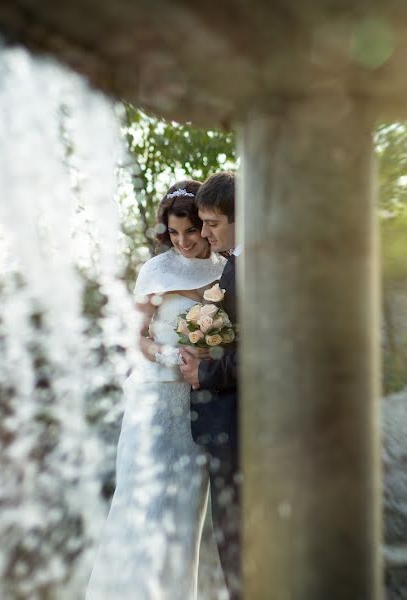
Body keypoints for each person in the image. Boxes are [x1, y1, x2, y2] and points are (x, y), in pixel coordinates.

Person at [87, 181, 227, 599]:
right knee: (142, 508)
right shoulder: (155, 270)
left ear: (205, 225)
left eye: (191, 231)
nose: (183, 241)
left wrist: (210, 354)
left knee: (183, 519)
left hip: (202, 406)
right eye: (174, 233)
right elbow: (134, 339)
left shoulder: (227, 269)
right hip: (155, 402)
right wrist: (172, 357)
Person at [179, 171, 242, 597]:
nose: (203, 234)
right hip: (226, 427)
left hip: (244, 431)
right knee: (233, 550)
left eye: (212, 224)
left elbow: (268, 350)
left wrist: (206, 372)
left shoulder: (259, 268)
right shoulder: (237, 265)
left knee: (241, 551)